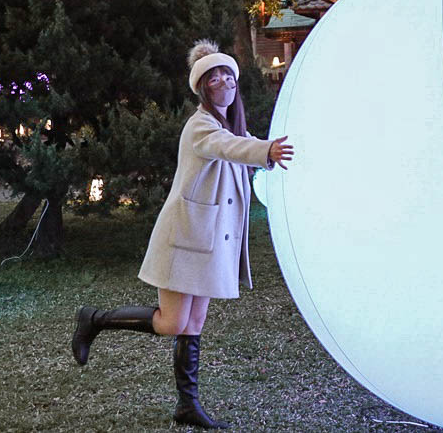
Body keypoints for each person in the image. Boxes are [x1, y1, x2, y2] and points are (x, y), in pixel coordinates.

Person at [71, 39, 294, 429]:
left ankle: (186, 405)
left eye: (228, 74)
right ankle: (94, 319)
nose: (223, 80)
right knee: (173, 322)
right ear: (202, 87)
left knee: (194, 324)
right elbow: (229, 148)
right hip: (185, 237)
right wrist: (264, 151)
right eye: (214, 77)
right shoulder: (201, 126)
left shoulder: (230, 125)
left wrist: (266, 159)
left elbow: (237, 152)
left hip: (209, 242)